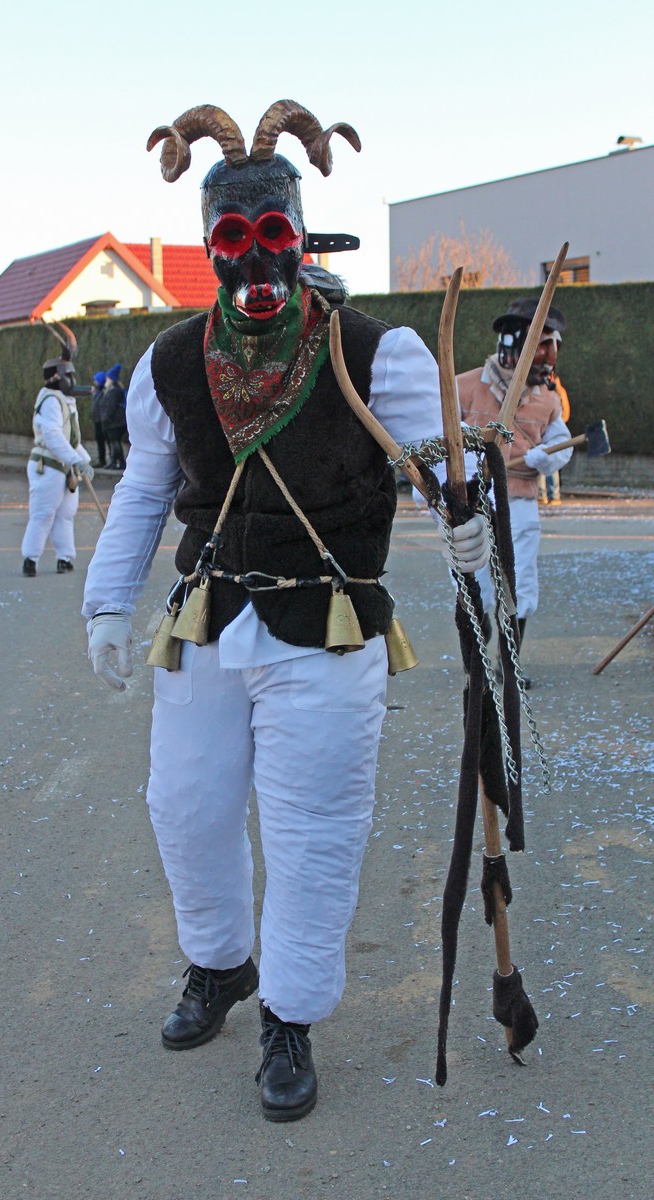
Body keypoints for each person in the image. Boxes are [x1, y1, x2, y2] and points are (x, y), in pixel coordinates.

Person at [82, 100, 488, 1123]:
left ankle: (291, 1020)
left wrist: (467, 518)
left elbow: (437, 463)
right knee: (185, 804)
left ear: (302, 237)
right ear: (207, 246)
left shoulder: (368, 350)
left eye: (272, 237)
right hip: (206, 620)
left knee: (311, 830)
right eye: (231, 238)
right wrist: (104, 605)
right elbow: (142, 488)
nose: (254, 261)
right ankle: (219, 966)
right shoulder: (169, 360)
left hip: (325, 625)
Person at [456, 297, 573, 681]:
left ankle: (510, 664)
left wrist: (547, 458)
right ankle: (478, 659)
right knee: (477, 583)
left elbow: (561, 443)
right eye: (540, 348)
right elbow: (435, 435)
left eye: (549, 349)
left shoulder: (547, 399)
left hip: (520, 502)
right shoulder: (468, 386)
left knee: (519, 581)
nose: (546, 359)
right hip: (473, 500)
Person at [20, 323, 94, 577]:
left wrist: (84, 460)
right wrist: (76, 459)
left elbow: (71, 439)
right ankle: (30, 558)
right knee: (43, 514)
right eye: (68, 376)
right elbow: (53, 436)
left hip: (65, 466)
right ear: (56, 377)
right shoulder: (51, 400)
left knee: (66, 515)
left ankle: (65, 557)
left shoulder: (65, 401)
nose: (73, 381)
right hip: (48, 465)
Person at [539, 372, 570, 504]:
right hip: (542, 428)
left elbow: (565, 410)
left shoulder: (557, 391)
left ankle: (552, 494)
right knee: (541, 461)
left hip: (550, 428)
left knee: (550, 463)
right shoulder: (542, 389)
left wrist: (557, 423)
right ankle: (544, 495)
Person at [99, 363, 127, 470]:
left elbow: (110, 407)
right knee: (115, 442)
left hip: (115, 422)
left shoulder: (113, 392)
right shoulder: (117, 390)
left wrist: (106, 418)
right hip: (117, 421)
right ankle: (116, 462)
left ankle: (117, 462)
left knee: (115, 442)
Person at [90, 370, 108, 468]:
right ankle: (102, 459)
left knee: (102, 440)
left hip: (101, 420)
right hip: (97, 419)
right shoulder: (97, 392)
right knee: (99, 440)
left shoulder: (103, 392)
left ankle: (103, 460)